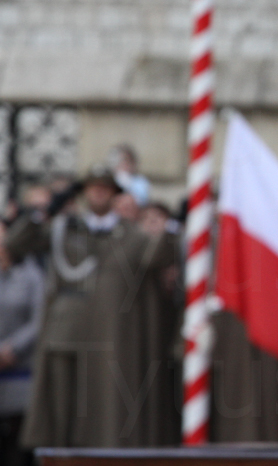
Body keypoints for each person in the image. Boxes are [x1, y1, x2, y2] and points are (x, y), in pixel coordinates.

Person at [6, 166, 175, 447]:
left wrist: (165, 229)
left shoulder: (132, 236)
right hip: (67, 337)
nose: (98, 193)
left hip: (112, 339)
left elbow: (159, 258)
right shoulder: (64, 229)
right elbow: (17, 243)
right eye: (92, 187)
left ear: (115, 195)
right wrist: (45, 210)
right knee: (63, 420)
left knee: (109, 418)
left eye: (105, 188)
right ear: (83, 193)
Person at [0, 223, 45, 466]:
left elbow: (39, 319)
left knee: (17, 446)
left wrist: (12, 349)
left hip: (19, 369)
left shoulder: (31, 275)